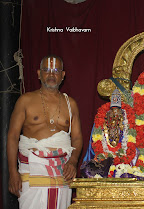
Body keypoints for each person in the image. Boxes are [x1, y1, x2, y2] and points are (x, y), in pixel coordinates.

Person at [7, 55, 83, 209]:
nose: (51, 74)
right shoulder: (25, 100)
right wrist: (12, 172)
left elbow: (77, 138)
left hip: (62, 172)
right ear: (38, 73)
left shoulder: (71, 104)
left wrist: (73, 161)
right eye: (46, 70)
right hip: (31, 171)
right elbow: (12, 137)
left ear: (62, 75)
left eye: (56, 70)